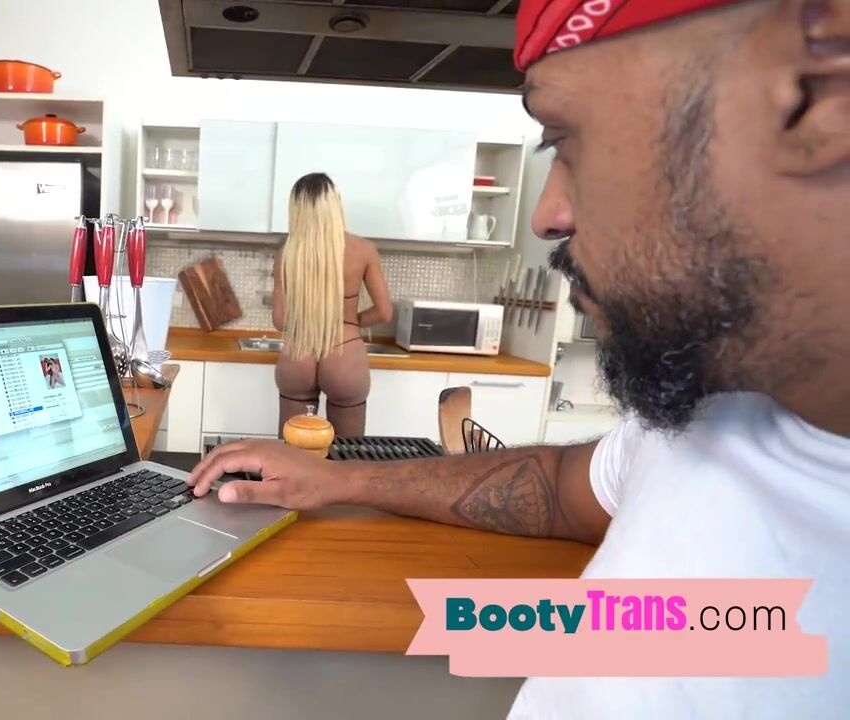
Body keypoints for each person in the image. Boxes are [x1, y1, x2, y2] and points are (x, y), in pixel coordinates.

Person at [187, 1, 849, 717]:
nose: (545, 216)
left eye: (564, 139)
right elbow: (565, 493)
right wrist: (344, 488)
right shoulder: (703, 424)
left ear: (819, 93)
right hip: (348, 350)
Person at [271, 172, 393, 437]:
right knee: (347, 454)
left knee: (292, 453)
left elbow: (280, 320)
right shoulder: (363, 250)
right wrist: (351, 321)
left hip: (299, 354)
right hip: (344, 351)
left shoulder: (286, 254)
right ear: (335, 205)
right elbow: (384, 312)